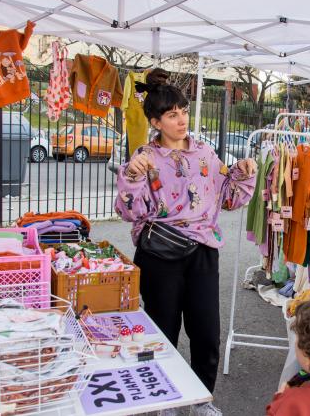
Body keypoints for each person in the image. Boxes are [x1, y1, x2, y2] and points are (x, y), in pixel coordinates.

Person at [114, 83, 257, 416]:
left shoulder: (205, 153)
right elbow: (127, 211)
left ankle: (201, 400)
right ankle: (164, 399)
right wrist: (132, 178)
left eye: (183, 112)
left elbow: (230, 197)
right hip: (159, 252)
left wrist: (244, 172)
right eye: (171, 114)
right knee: (161, 331)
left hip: (203, 253)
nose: (181, 120)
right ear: (155, 121)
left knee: (206, 332)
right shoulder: (143, 158)